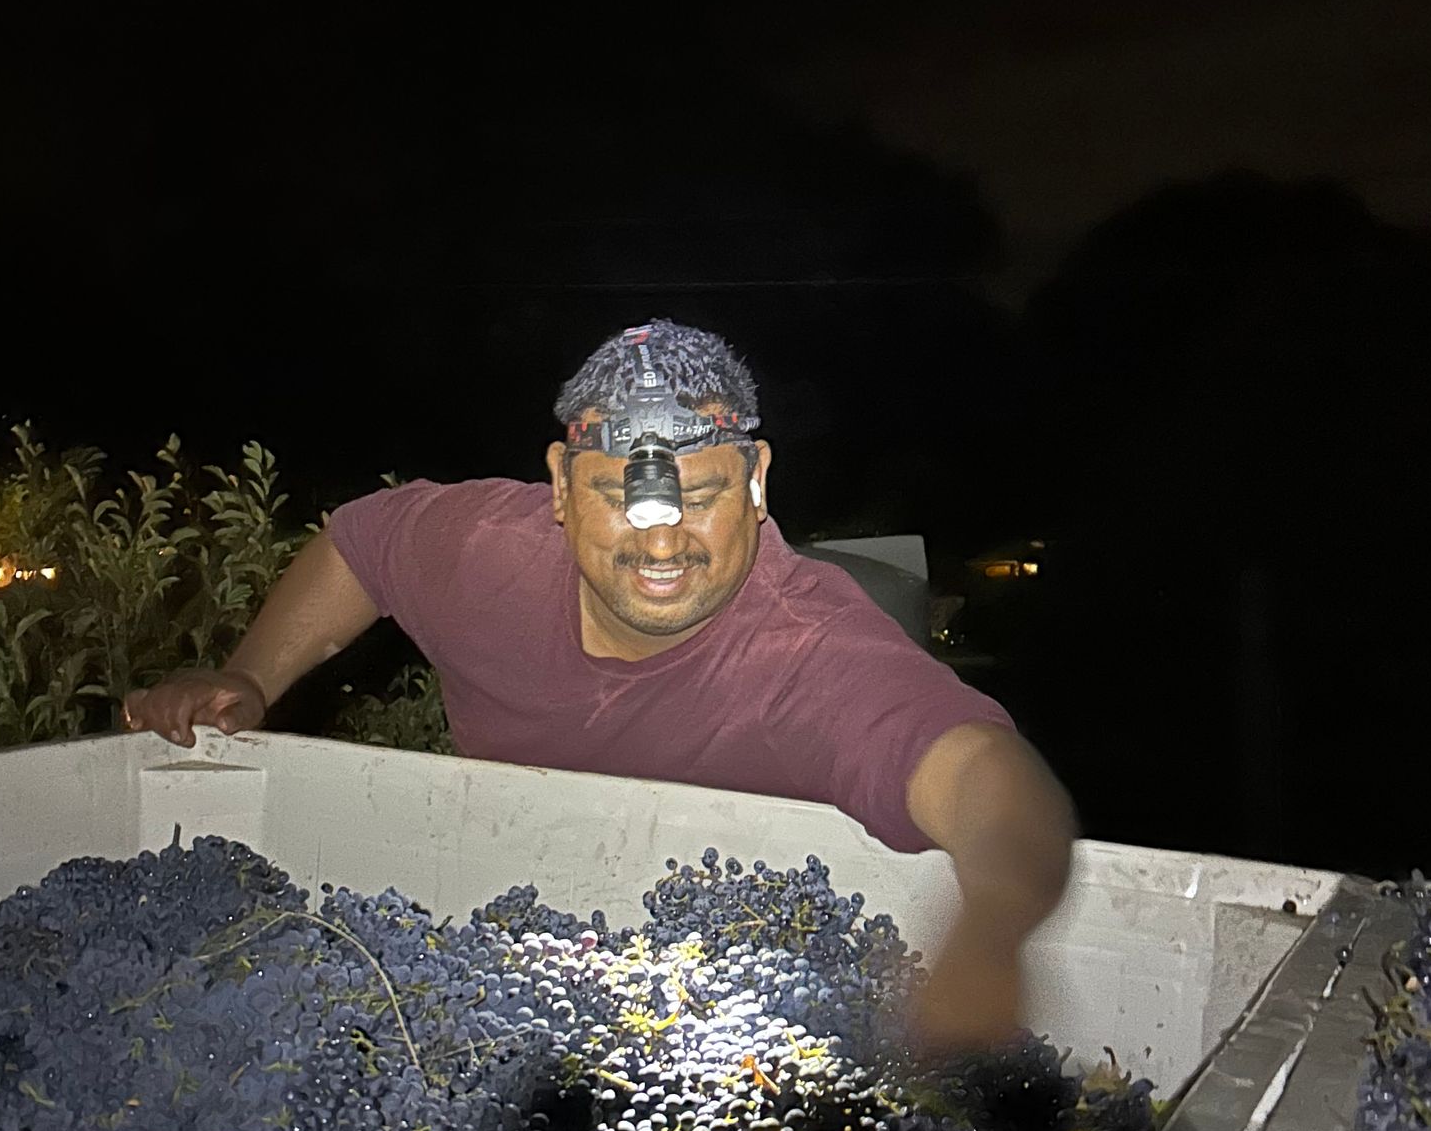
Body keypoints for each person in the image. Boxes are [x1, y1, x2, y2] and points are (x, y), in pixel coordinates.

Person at [125, 320, 1074, 1049]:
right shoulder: (487, 555)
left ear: (757, 482)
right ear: (560, 485)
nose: (662, 542)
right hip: (503, 950)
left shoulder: (806, 654)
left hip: (731, 1002)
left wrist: (990, 930)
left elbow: (983, 773)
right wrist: (250, 675)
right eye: (622, 498)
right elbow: (362, 546)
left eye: (698, 496)